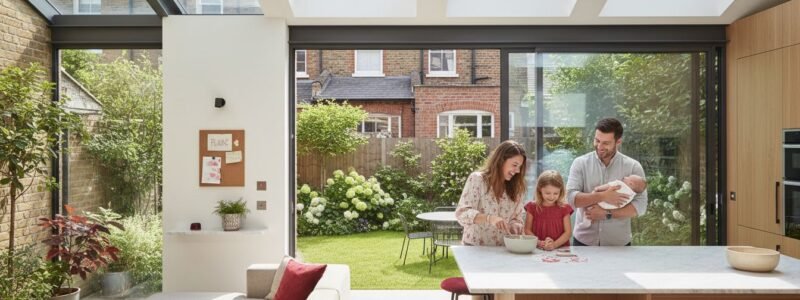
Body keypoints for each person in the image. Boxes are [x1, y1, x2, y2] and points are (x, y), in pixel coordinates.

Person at [566, 117, 648, 246]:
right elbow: (571, 199)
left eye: (606, 143)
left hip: (618, 244)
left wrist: (607, 214)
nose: (600, 146)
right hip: (584, 241)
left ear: (618, 141)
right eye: (597, 140)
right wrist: (603, 196)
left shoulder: (633, 167)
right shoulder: (580, 163)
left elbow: (640, 206)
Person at [455, 140, 528, 246]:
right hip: (474, 248)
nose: (517, 171)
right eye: (514, 165)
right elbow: (462, 214)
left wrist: (515, 225)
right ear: (501, 161)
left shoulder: (516, 188)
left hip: (502, 249)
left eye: (520, 167)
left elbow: (516, 218)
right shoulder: (477, 179)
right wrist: (489, 218)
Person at [523, 170, 574, 251]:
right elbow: (527, 230)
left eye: (556, 193)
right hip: (537, 249)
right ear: (540, 190)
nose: (551, 197)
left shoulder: (564, 208)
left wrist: (554, 245)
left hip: (560, 249)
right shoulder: (532, 207)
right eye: (547, 193)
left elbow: (568, 233)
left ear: (561, 191)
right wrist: (539, 242)